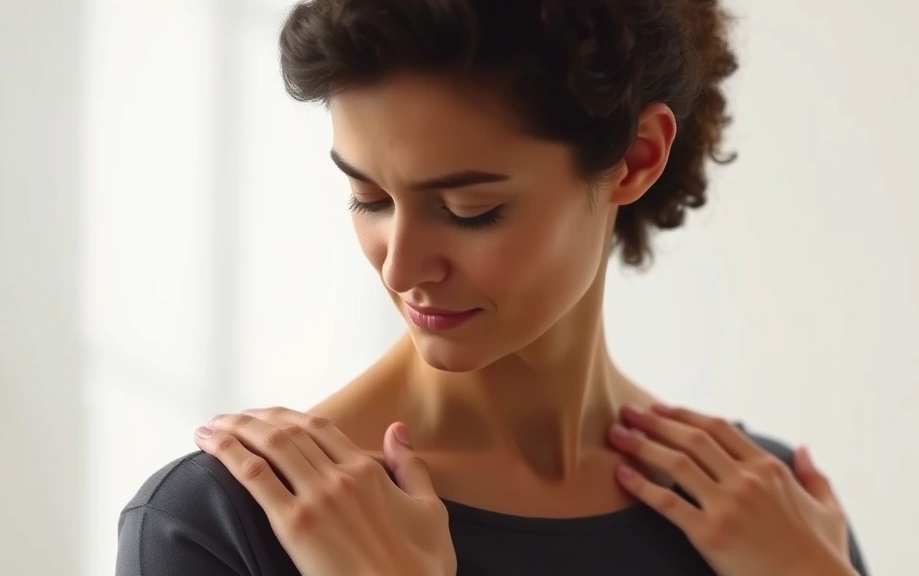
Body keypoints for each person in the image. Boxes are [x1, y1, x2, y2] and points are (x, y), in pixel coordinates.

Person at [116, 1, 870, 575]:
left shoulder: (771, 518)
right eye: (369, 198)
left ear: (636, 158)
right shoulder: (226, 522)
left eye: (468, 209)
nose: (400, 268)